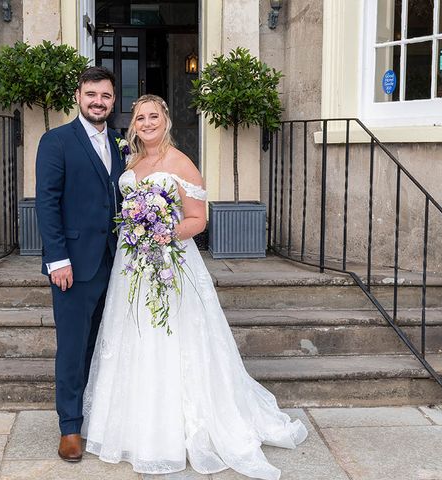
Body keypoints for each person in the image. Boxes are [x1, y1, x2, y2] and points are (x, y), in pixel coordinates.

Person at [82, 95, 308, 479]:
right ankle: (135, 426)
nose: (147, 123)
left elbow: (197, 219)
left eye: (154, 116)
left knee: (170, 337)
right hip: (131, 263)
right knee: (131, 335)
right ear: (133, 124)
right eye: (140, 117)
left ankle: (173, 431)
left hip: (170, 264)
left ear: (166, 121)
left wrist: (162, 233)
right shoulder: (132, 162)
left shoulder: (180, 162)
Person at [35, 66, 124, 462]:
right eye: (91, 95)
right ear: (78, 96)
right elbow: (47, 204)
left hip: (118, 263)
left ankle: (99, 417)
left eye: (105, 96)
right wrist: (57, 260)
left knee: (105, 345)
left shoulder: (122, 143)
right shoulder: (56, 141)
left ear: (113, 100)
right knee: (72, 347)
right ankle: (70, 427)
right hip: (73, 265)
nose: (98, 102)